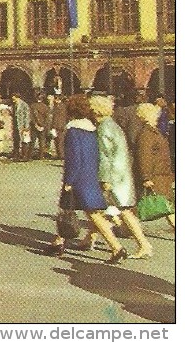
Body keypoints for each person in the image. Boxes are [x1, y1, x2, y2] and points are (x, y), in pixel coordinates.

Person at [47, 94, 127, 264]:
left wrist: (69, 180)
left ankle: (117, 247)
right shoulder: (92, 129)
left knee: (90, 213)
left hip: (78, 178)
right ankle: (58, 241)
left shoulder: (73, 130)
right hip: (90, 175)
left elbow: (74, 158)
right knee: (73, 209)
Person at [87, 95, 153, 258]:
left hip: (113, 176)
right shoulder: (113, 125)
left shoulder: (103, 128)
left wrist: (104, 179)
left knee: (116, 210)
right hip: (122, 173)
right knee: (113, 210)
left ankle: (144, 244)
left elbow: (105, 156)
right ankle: (89, 238)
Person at [134, 103, 175, 230]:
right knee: (166, 206)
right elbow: (144, 156)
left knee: (167, 207)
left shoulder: (152, 132)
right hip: (156, 176)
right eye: (155, 114)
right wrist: (146, 177)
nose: (157, 116)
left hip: (161, 174)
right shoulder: (147, 134)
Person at [11, 94, 31, 161]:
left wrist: (26, 126)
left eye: (14, 99)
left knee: (24, 141)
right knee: (16, 140)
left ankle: (24, 156)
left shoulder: (24, 105)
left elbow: (27, 116)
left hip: (22, 126)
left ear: (18, 98)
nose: (13, 101)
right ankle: (16, 155)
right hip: (16, 125)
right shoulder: (14, 105)